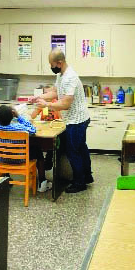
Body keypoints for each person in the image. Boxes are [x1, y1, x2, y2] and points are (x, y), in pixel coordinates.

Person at [36, 50, 92, 193]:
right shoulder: (61, 75)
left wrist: (46, 105)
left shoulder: (70, 77)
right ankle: (87, 176)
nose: (51, 66)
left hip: (76, 120)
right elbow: (56, 92)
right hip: (76, 118)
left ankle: (79, 183)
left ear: (59, 63)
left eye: (52, 64)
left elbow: (65, 104)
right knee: (81, 148)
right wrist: (38, 97)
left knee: (73, 151)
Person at [0, 104, 50, 192]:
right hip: (20, 160)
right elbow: (33, 129)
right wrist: (18, 116)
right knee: (38, 150)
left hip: (2, 159)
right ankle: (42, 182)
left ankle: (5, 177)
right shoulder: (20, 128)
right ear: (12, 117)